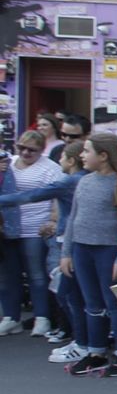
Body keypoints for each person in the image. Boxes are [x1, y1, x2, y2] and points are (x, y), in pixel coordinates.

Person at [60, 135, 117, 376]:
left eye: (87, 151)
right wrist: (67, 252)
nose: (82, 156)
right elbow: (73, 218)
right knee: (91, 303)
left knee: (114, 302)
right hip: (82, 248)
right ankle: (95, 352)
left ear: (104, 155)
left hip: (108, 248)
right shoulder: (84, 181)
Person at [0, 140, 86, 358]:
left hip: (68, 238)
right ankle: (80, 339)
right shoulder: (78, 179)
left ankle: (83, 341)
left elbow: (31, 195)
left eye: (64, 157)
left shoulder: (70, 180)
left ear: (72, 160)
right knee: (71, 292)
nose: (59, 160)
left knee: (69, 292)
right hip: (68, 237)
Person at [0, 130, 63, 337]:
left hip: (35, 227)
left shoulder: (50, 168)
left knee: (36, 274)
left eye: (32, 150)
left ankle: (42, 317)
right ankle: (11, 317)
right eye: (22, 148)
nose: (26, 153)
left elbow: (56, 196)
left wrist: (53, 220)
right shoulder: (9, 162)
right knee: (9, 274)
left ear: (42, 150)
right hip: (9, 225)